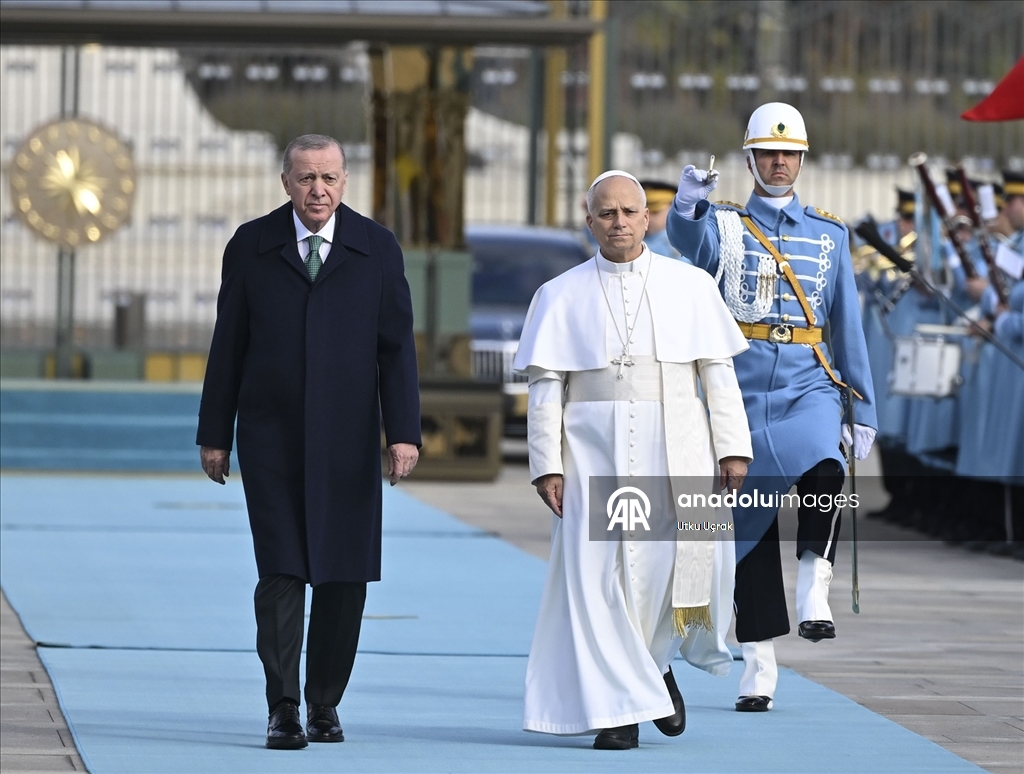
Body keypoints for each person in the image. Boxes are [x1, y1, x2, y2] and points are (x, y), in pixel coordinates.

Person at [196, 134, 421, 749]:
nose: (317, 190)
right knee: (282, 572)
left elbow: (397, 348)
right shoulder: (252, 245)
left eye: (328, 178)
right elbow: (228, 345)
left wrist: (403, 432)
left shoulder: (376, 248)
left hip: (349, 444)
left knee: (344, 577)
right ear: (285, 182)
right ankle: (283, 707)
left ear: (345, 181)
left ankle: (325, 702)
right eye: (305, 178)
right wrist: (215, 433)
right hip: (270, 438)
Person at [515, 170, 753, 749]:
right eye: (606, 213)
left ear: (646, 218)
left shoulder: (691, 286)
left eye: (629, 211)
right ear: (589, 218)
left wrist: (733, 450)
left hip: (675, 446)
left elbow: (718, 376)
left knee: (668, 575)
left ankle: (654, 669)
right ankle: (618, 715)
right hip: (590, 453)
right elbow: (546, 388)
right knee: (595, 579)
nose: (618, 221)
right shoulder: (559, 293)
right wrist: (546, 463)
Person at [667, 102, 877, 712]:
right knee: (745, 531)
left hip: (808, 384)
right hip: (737, 389)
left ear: (802, 159)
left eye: (789, 154)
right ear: (750, 159)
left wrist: (861, 407)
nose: (779, 162)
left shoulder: (830, 233)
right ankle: (758, 661)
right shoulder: (726, 225)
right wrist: (686, 206)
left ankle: (816, 581)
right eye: (767, 153)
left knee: (826, 468)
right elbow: (693, 248)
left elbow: (848, 325)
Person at [639, 179, 681, 258]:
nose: (648, 217)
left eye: (655, 212)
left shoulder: (680, 245)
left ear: (672, 210)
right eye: (644, 213)